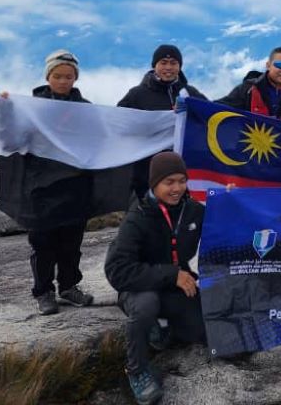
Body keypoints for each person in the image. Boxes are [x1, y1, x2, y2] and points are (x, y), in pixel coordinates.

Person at [104, 152, 205, 405]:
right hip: (137, 287)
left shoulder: (192, 211)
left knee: (200, 329)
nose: (177, 188)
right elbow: (117, 270)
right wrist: (172, 274)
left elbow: (223, 229)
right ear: (154, 184)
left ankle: (160, 329)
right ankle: (136, 370)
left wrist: (229, 201)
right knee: (147, 305)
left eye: (182, 181)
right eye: (169, 182)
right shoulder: (137, 218)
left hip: (173, 286)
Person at [0, 49, 96, 315]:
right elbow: (12, 141)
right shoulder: (31, 108)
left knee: (71, 243)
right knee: (43, 243)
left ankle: (68, 286)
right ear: (48, 76)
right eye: (58, 76)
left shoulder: (85, 109)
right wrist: (4, 109)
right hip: (41, 187)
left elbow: (98, 140)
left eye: (68, 76)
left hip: (75, 186)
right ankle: (43, 292)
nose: (63, 81)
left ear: (75, 78)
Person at [118, 44, 207, 200]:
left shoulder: (189, 93)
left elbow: (209, 118)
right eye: (163, 63)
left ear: (180, 66)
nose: (168, 67)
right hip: (146, 172)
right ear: (154, 66)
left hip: (183, 173)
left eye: (173, 63)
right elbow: (119, 122)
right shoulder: (137, 95)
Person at [216, 46, 281, 128]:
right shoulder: (247, 90)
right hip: (249, 151)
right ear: (268, 65)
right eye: (279, 65)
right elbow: (219, 110)